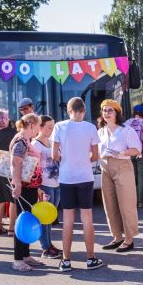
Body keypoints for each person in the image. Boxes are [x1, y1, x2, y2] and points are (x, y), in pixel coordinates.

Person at [51, 97, 103, 271]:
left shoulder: (59, 126)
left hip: (66, 177)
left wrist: (66, 160)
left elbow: (54, 155)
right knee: (87, 218)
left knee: (68, 220)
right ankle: (90, 258)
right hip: (85, 176)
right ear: (84, 110)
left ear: (68, 110)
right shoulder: (90, 127)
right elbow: (95, 156)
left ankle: (66, 261)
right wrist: (84, 159)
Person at [98, 99, 142, 253]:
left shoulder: (126, 130)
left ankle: (129, 239)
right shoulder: (101, 131)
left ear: (117, 112)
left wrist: (122, 152)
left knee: (126, 203)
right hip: (105, 167)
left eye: (110, 110)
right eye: (104, 110)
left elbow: (137, 149)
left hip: (122, 165)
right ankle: (117, 236)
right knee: (109, 203)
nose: (106, 113)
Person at [10, 113, 45, 271]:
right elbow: (15, 162)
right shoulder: (21, 140)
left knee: (27, 220)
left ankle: (25, 255)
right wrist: (17, 184)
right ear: (31, 125)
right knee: (22, 222)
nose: (39, 129)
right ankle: (18, 259)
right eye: (38, 125)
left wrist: (37, 187)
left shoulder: (25, 140)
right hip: (23, 187)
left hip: (29, 186)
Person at [31, 115, 62, 259]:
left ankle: (49, 244)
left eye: (53, 126)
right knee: (44, 217)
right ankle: (45, 247)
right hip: (44, 184)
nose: (51, 129)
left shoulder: (51, 141)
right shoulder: (35, 145)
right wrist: (38, 187)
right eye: (49, 127)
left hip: (56, 182)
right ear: (40, 127)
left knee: (51, 216)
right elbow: (33, 168)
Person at [0, 109, 17, 235]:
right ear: (6, 119)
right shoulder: (13, 133)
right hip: (10, 168)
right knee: (13, 199)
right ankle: (11, 228)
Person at [125, 103, 143, 208]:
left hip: (130, 152)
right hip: (141, 152)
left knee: (132, 177)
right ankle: (140, 201)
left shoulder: (127, 123)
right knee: (141, 177)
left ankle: (132, 200)